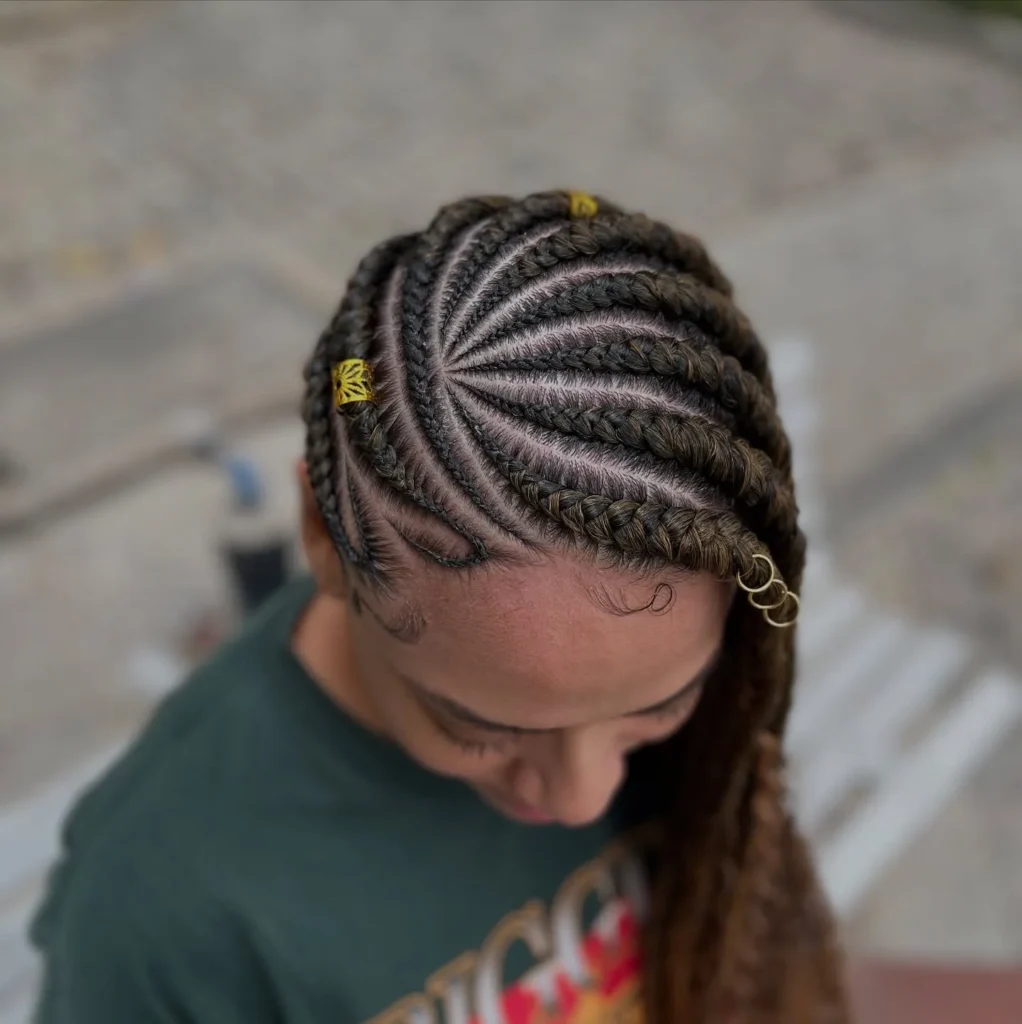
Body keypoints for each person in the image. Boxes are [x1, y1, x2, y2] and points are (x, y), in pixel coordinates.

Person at [30, 191, 849, 1024]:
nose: (583, 798)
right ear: (325, 536)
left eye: (660, 705)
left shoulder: (723, 722)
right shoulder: (162, 911)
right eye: (479, 727)